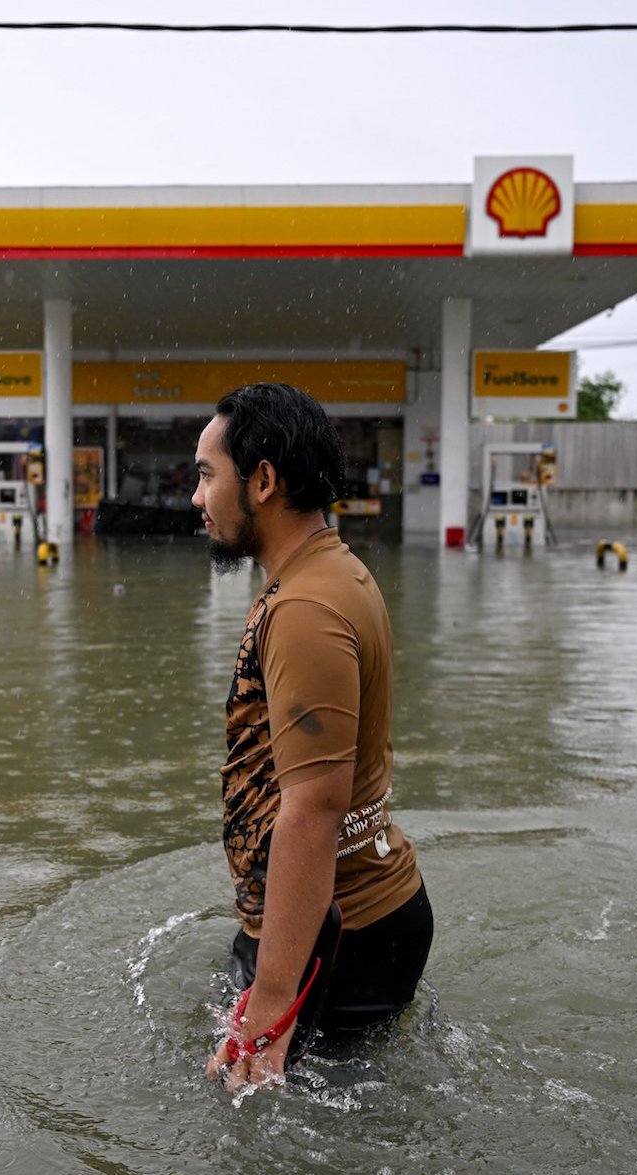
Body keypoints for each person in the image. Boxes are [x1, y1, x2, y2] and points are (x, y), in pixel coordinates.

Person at [192, 383, 433, 1091]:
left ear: (263, 480)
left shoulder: (304, 606)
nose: (197, 498)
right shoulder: (328, 573)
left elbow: (313, 809)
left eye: (208, 475)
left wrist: (270, 1006)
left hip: (337, 936)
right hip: (341, 926)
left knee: (246, 1121)